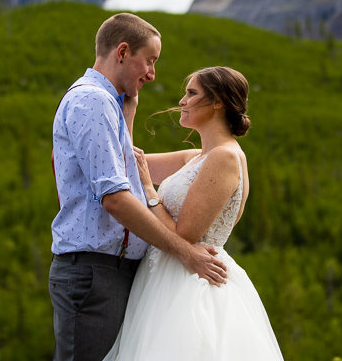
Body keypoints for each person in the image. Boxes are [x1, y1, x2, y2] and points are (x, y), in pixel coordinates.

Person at [50, 13, 228, 361]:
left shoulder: (110, 104)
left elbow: (123, 173)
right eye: (149, 60)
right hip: (93, 273)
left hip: (109, 273)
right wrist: (186, 252)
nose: (152, 73)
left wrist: (128, 115)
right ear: (122, 52)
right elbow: (115, 199)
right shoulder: (92, 101)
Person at [103, 66, 285, 360]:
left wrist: (150, 190)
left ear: (217, 102)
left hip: (192, 283)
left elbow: (184, 235)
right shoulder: (197, 157)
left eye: (191, 93)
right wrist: (129, 112)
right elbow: (126, 165)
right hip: (162, 278)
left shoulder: (225, 157)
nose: (182, 102)